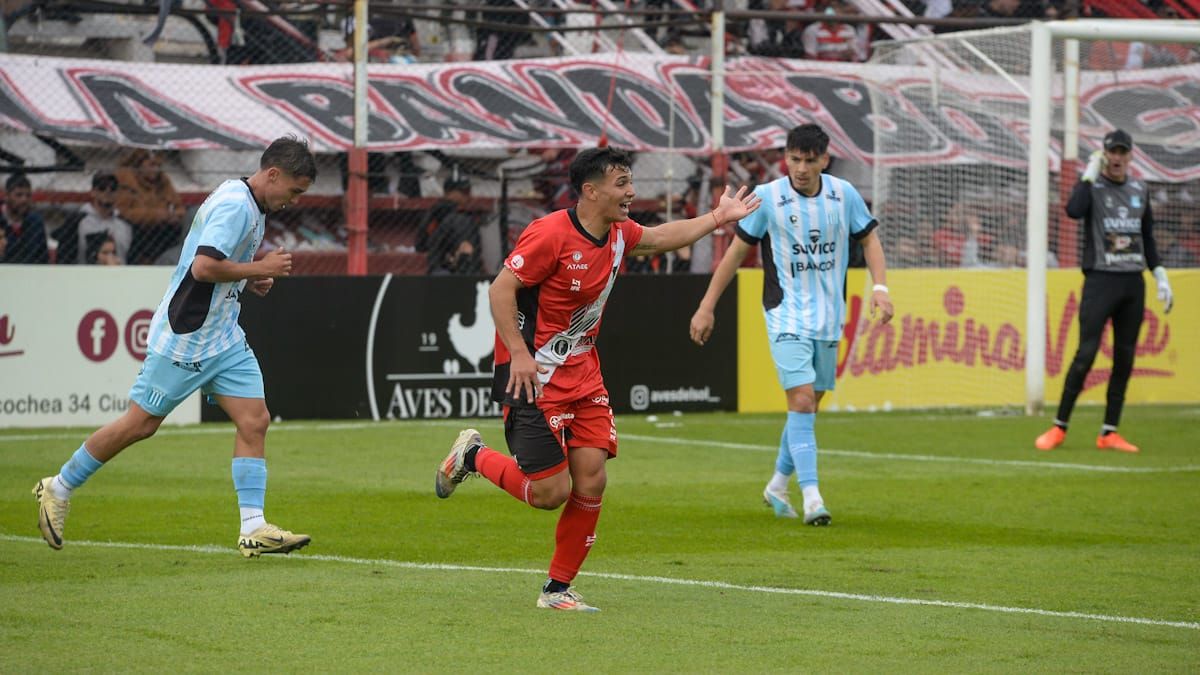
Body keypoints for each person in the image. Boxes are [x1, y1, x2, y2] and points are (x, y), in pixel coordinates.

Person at [433, 147, 761, 612]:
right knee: (550, 493)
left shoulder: (620, 233)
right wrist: (521, 354)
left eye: (630, 182)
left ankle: (556, 589)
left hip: (584, 372)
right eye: (622, 183)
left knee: (592, 479)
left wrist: (716, 217)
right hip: (536, 374)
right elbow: (500, 289)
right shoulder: (550, 234)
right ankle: (472, 454)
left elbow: (662, 236)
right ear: (591, 191)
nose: (632, 192)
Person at [32, 136, 318, 557]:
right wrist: (259, 266)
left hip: (223, 336)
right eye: (294, 190)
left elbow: (214, 263)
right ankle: (58, 486)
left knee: (254, 420)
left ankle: (253, 526)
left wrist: (246, 279)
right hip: (188, 337)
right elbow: (202, 267)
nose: (294, 200)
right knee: (140, 425)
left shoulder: (251, 202)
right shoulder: (236, 205)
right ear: (273, 174)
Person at [689, 124, 894, 525]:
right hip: (784, 314)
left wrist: (881, 287)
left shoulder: (843, 194)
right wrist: (706, 305)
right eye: (794, 159)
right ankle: (814, 497)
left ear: (824, 159)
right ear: (786, 157)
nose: (800, 168)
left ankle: (778, 483)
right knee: (800, 401)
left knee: (808, 407)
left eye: (809, 160)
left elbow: (869, 239)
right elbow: (734, 255)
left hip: (830, 317)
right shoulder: (767, 198)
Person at [1035, 129, 1174, 454]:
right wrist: (1087, 174)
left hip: (1132, 283)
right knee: (1086, 354)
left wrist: (1160, 275)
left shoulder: (1140, 189)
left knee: (1125, 358)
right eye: (1112, 152)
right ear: (1104, 154)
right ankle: (1059, 427)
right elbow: (1072, 210)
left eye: (1122, 152)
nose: (1117, 158)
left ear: (1130, 156)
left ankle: (1109, 431)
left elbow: (1147, 237)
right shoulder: (1093, 188)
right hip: (1100, 281)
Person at [116, 148, 185, 264]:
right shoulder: (126, 178)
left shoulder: (163, 180)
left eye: (158, 166)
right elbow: (123, 211)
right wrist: (158, 215)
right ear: (139, 164)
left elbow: (179, 207)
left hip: (162, 229)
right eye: (151, 165)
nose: (155, 169)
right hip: (137, 230)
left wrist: (174, 215)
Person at [416, 175, 483, 275]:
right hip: (443, 264)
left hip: (442, 265)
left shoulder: (435, 210)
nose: (468, 195)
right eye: (464, 192)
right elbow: (422, 242)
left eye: (468, 191)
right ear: (449, 192)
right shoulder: (439, 213)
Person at [77, 171, 132, 265]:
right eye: (102, 187)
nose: (108, 191)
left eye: (113, 188)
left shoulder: (126, 225)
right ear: (93, 192)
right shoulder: (77, 223)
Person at [1, 172, 49, 264]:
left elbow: (43, 259)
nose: (24, 200)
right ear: (6, 196)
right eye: (19, 195)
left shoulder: (36, 222)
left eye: (28, 195)